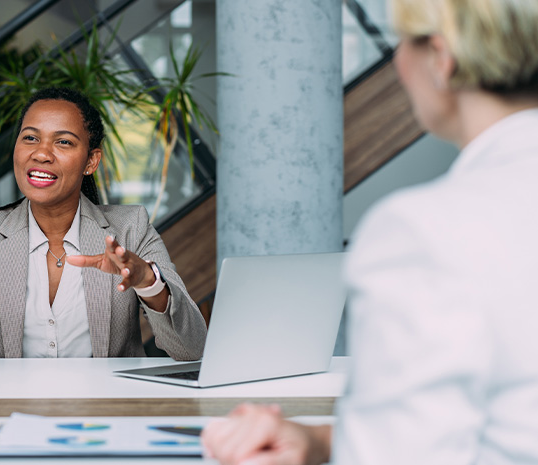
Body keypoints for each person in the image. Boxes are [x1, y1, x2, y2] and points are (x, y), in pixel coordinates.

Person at [202, 0, 538, 463]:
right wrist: (320, 441)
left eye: (403, 42)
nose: (398, 62)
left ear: (442, 59)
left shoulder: (423, 229)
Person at [0, 87, 207, 362]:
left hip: (104, 416)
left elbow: (192, 349)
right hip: (6, 416)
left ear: (91, 161)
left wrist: (149, 283)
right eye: (30, 138)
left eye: (63, 142)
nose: (42, 154)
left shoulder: (130, 229)